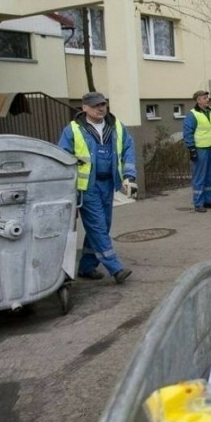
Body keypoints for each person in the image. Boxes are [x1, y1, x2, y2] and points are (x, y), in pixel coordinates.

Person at [58, 92, 137, 284]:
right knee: (98, 226)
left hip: (108, 184)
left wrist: (129, 176)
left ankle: (87, 266)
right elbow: (62, 156)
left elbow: (128, 148)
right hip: (86, 187)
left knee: (102, 225)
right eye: (95, 105)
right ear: (84, 108)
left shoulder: (116, 126)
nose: (101, 108)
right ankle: (115, 268)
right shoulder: (74, 130)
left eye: (103, 104)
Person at [182, 90, 211, 212]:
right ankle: (198, 203)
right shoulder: (193, 115)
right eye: (204, 98)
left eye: (207, 97)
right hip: (200, 150)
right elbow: (188, 133)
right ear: (198, 100)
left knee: (210, 176)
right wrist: (191, 149)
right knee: (199, 177)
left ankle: (210, 201)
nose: (207, 100)